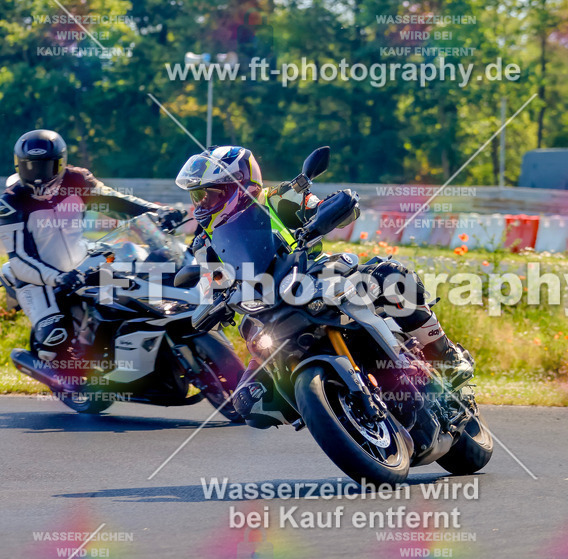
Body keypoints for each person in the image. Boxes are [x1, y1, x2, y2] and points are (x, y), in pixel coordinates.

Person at [176, 145, 473, 417]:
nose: (202, 202)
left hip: (315, 278)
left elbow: (330, 208)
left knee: (390, 276)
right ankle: (329, 408)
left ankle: (445, 356)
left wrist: (330, 208)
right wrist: (211, 304)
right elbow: (207, 283)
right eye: (197, 196)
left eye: (210, 193)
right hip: (264, 312)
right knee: (248, 403)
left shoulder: (279, 198)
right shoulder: (205, 243)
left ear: (239, 184)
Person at [0, 129, 184, 359]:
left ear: (60, 163)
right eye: (30, 167)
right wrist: (57, 278)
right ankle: (69, 381)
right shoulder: (10, 202)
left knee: (136, 279)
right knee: (54, 341)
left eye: (44, 166)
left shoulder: (77, 179)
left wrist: (158, 211)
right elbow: (20, 259)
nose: (37, 175)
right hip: (36, 280)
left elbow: (117, 201)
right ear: (19, 165)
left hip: (81, 259)